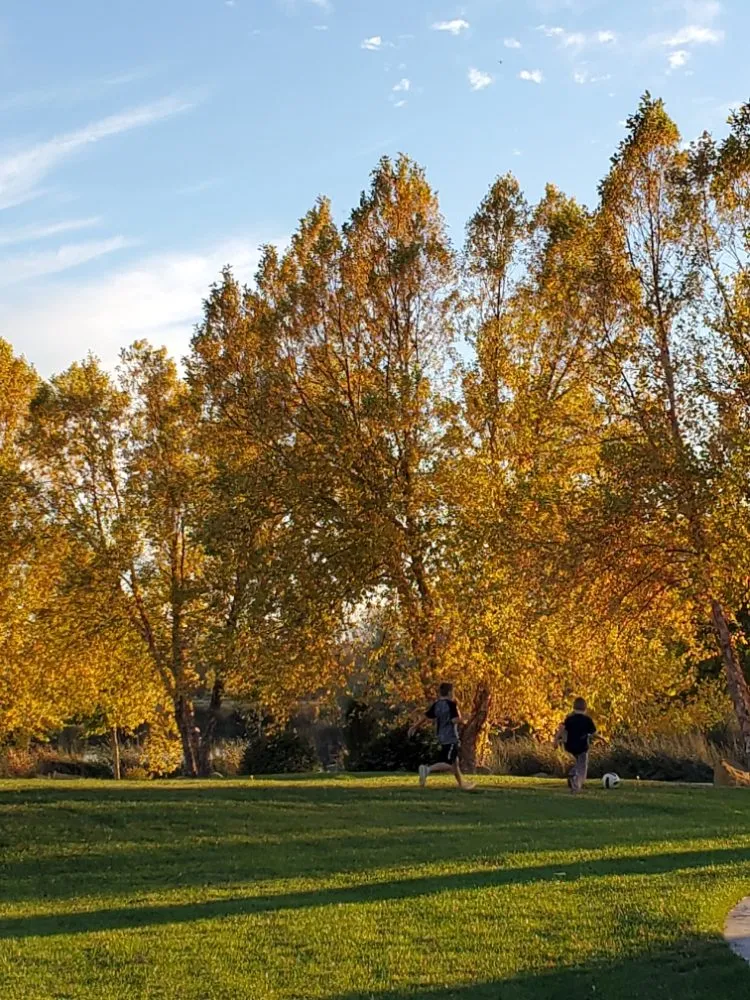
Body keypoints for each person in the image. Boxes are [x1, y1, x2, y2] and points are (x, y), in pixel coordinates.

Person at [409, 682, 475, 791]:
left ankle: (462, 785)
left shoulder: (437, 704)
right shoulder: (451, 704)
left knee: (455, 762)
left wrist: (415, 727)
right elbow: (454, 720)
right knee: (449, 764)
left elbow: (426, 716)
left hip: (441, 736)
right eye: (453, 692)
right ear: (449, 692)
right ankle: (427, 769)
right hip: (451, 737)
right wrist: (464, 719)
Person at [555, 697, 597, 793]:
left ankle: (573, 774)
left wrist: (556, 740)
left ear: (573, 707)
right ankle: (576, 784)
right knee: (582, 768)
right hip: (582, 747)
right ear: (585, 708)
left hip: (569, 746)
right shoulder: (587, 720)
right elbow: (593, 733)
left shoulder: (569, 719)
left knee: (578, 763)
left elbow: (562, 729)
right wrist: (602, 739)